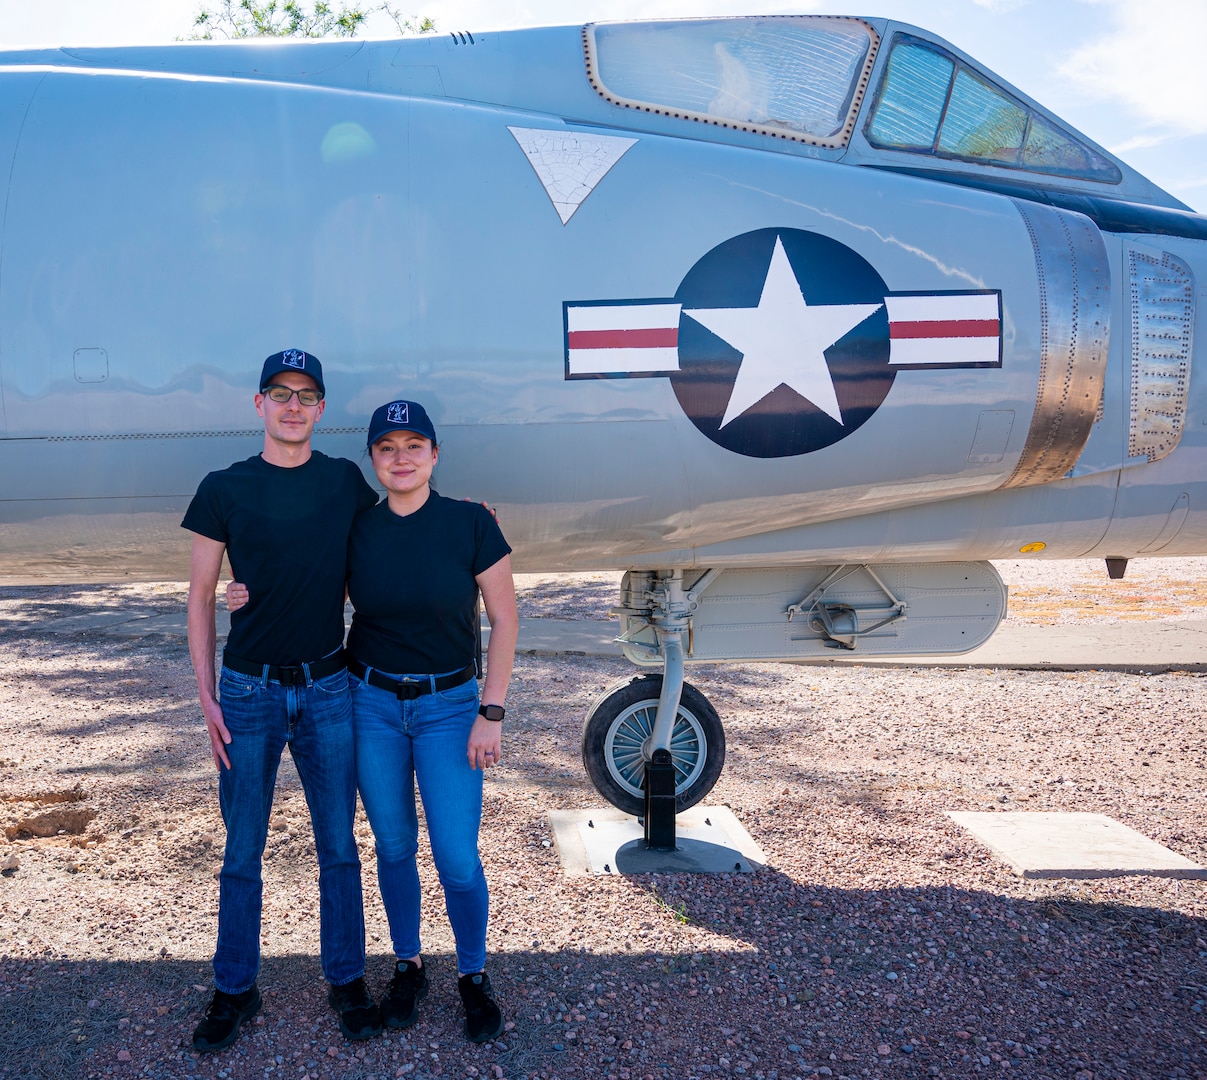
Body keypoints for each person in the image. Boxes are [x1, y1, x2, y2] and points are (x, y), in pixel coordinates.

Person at [182, 349, 383, 1053]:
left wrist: (465, 521)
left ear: (320, 409)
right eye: (280, 393)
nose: (293, 406)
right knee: (241, 851)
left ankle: (347, 979)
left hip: (328, 687)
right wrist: (207, 696)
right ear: (259, 404)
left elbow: (392, 536)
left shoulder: (342, 482)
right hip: (247, 692)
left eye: (306, 395)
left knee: (337, 845)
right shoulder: (223, 488)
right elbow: (202, 597)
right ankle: (234, 986)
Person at [346, 399, 518, 1044]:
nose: (401, 458)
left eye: (414, 445)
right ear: (373, 459)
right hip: (373, 706)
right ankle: (409, 963)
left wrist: (490, 711)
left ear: (435, 454)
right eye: (387, 448)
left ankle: (472, 974)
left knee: (455, 855)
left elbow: (505, 618)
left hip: (451, 709)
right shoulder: (358, 529)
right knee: (392, 845)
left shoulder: (472, 524)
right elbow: (308, 587)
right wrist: (244, 593)